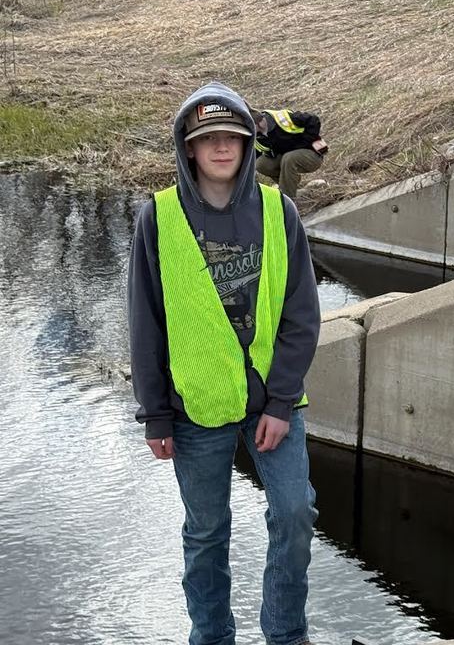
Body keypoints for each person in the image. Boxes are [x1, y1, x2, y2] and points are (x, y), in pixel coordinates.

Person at [129, 82, 321, 645]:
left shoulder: (276, 209)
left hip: (273, 401)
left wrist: (282, 401)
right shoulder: (157, 217)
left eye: (231, 137)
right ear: (188, 147)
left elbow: (301, 313)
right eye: (206, 138)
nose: (219, 147)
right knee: (207, 532)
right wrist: (156, 415)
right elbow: (146, 323)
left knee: (293, 515)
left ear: (246, 145)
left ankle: (286, 634)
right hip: (195, 405)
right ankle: (210, 636)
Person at [253, 106, 327, 200]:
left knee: (288, 158)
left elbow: (314, 120)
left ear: (258, 123)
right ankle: (292, 188)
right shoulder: (256, 136)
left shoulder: (283, 118)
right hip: (287, 158)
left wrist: (303, 142)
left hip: (312, 155)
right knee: (261, 164)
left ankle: (287, 200)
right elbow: (255, 157)